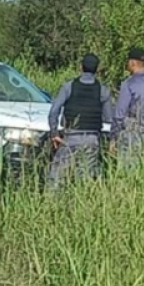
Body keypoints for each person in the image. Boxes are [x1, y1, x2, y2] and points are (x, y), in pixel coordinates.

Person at [47, 53, 113, 188]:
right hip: (92, 140)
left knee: (56, 179)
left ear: (81, 67)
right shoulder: (103, 91)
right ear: (97, 69)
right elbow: (108, 118)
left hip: (70, 138)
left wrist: (54, 133)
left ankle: (51, 206)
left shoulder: (69, 86)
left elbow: (54, 111)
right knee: (85, 181)